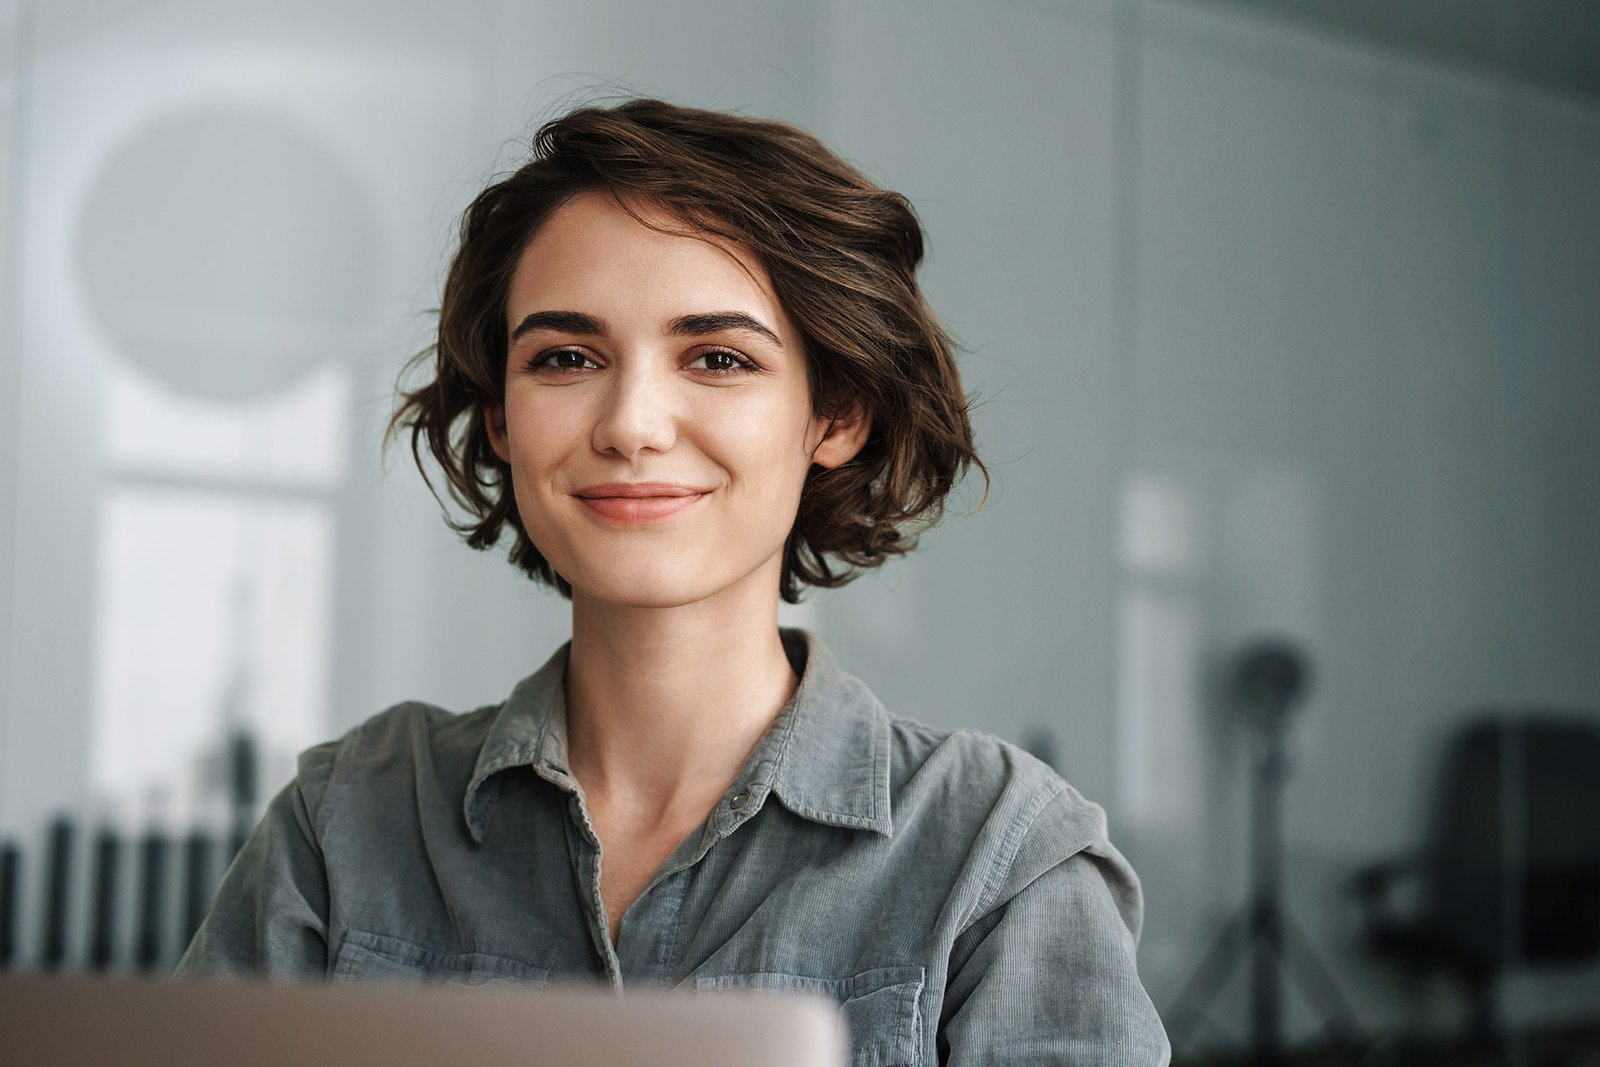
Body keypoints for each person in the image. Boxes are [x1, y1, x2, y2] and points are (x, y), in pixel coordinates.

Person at [178, 98, 1170, 1064]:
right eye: (566, 357)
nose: (631, 423)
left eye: (718, 358)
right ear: (499, 419)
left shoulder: (995, 852)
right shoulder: (347, 819)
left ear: (836, 416)